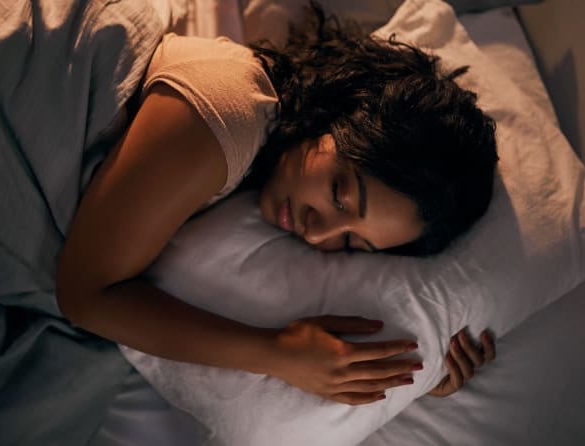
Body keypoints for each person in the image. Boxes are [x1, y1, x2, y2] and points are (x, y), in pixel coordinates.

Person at [56, 2, 498, 406]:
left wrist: (422, 376)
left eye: (350, 243)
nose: (317, 231)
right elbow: (85, 297)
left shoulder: (261, 159)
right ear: (338, 116)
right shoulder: (230, 112)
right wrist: (276, 354)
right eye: (340, 193)